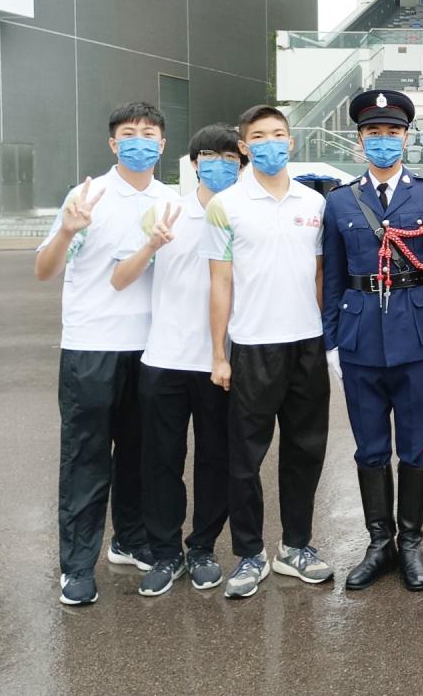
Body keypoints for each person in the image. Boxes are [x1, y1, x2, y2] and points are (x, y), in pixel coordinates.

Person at [35, 102, 178, 606]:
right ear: (114, 143)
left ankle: (129, 540)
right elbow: (45, 270)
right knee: (87, 457)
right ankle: (77, 565)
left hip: (152, 348)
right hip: (91, 345)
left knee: (139, 454)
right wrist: (68, 230)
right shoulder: (87, 195)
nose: (140, 141)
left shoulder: (171, 200)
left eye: (149, 133)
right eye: (129, 134)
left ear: (163, 144)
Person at [321, 90, 423, 593]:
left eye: (392, 133)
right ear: (359, 141)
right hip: (358, 338)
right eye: (373, 134)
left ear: (406, 138)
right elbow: (334, 277)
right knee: (370, 446)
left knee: (416, 444)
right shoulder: (339, 200)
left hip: (416, 336)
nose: (383, 141)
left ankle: (412, 542)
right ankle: (380, 543)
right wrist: (332, 342)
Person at [204, 104, 333, 600]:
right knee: (245, 458)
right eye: (258, 137)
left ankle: (295, 547)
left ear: (291, 141)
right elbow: (220, 283)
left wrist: (323, 336)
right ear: (244, 146)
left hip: (306, 343)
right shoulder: (226, 205)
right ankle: (249, 553)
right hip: (252, 345)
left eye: (278, 134)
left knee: (305, 451)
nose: (270, 143)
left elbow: (319, 274)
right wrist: (219, 354)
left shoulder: (314, 202)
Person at [110, 124, 245, 596]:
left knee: (215, 459)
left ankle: (203, 548)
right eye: (211, 157)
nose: (220, 166)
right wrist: (151, 244)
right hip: (165, 357)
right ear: (193, 164)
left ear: (241, 167)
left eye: (230, 160)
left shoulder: (243, 215)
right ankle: (166, 552)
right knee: (161, 460)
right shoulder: (165, 211)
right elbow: (120, 278)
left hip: (220, 360)